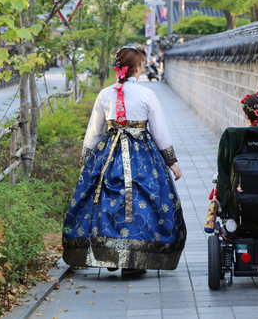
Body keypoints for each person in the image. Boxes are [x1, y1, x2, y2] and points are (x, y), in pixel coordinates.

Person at [62, 47, 187, 276]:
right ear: (137, 69)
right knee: (143, 202)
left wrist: (86, 161)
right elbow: (159, 132)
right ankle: (134, 260)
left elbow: (94, 131)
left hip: (108, 156)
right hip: (143, 157)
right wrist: (171, 162)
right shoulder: (147, 95)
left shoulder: (104, 93)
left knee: (106, 202)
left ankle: (108, 253)